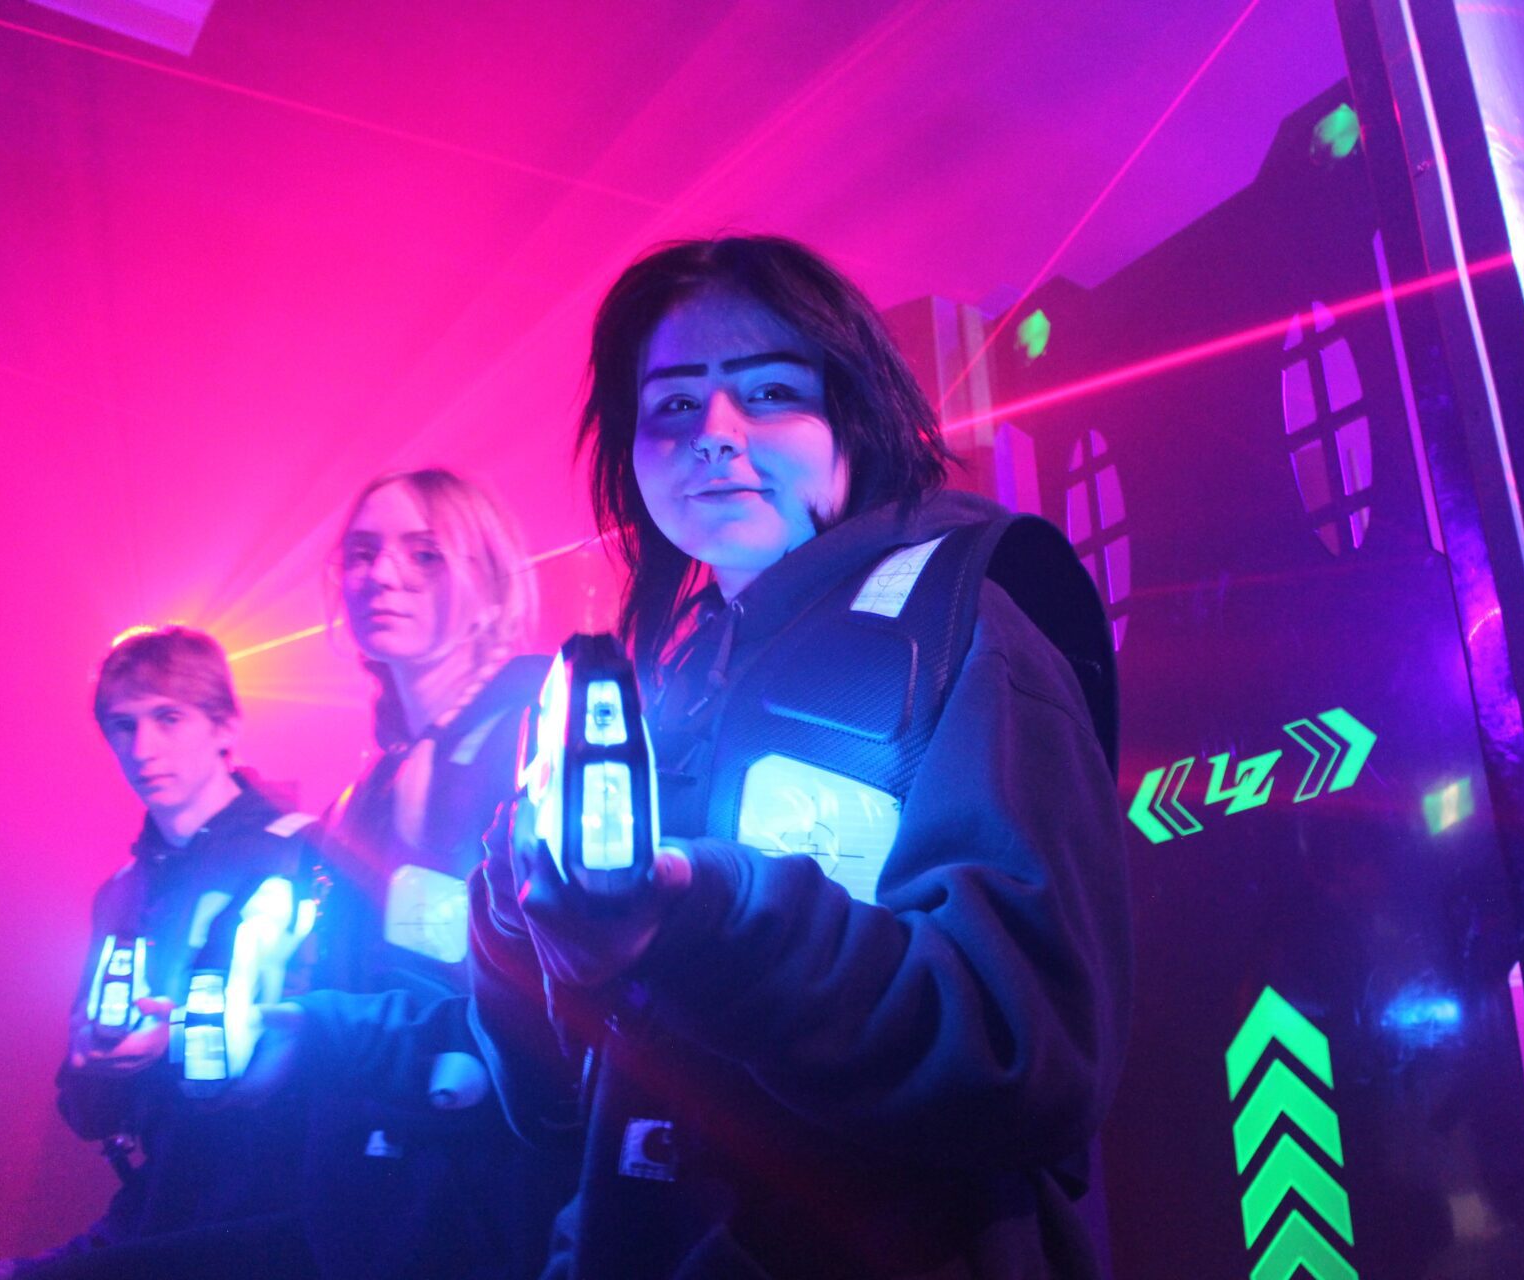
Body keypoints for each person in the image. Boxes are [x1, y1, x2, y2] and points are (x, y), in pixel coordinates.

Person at [470, 236, 1132, 1279]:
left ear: (852, 418)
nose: (715, 435)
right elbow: (564, 1105)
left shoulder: (966, 627)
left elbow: (1029, 1049)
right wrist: (514, 926)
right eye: (674, 406)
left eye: (770, 392)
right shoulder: (670, 689)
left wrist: (705, 920)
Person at [270, 467, 574, 1279]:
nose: (383, 575)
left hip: (492, 1179)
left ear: (489, 580)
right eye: (362, 553)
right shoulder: (376, 770)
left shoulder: (540, 721)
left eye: (426, 554)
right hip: (379, 1169)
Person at [0, 626, 321, 1278]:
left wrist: (181, 1042)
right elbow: (85, 1113)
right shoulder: (122, 892)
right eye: (122, 725)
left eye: (168, 718)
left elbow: (326, 1056)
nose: (142, 748)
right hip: (160, 1201)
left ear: (226, 726)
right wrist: (97, 1065)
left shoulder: (304, 852)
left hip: (271, 1213)